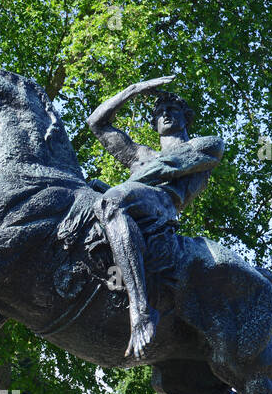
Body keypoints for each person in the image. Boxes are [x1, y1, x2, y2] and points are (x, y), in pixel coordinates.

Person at [79, 77, 224, 359]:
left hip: (164, 205)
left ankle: (142, 311)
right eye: (159, 112)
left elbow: (165, 168)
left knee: (111, 199)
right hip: (132, 200)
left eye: (173, 109)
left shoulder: (207, 145)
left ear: (186, 118)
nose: (166, 113)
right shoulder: (138, 155)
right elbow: (96, 123)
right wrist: (134, 90)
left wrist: (114, 191)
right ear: (154, 123)